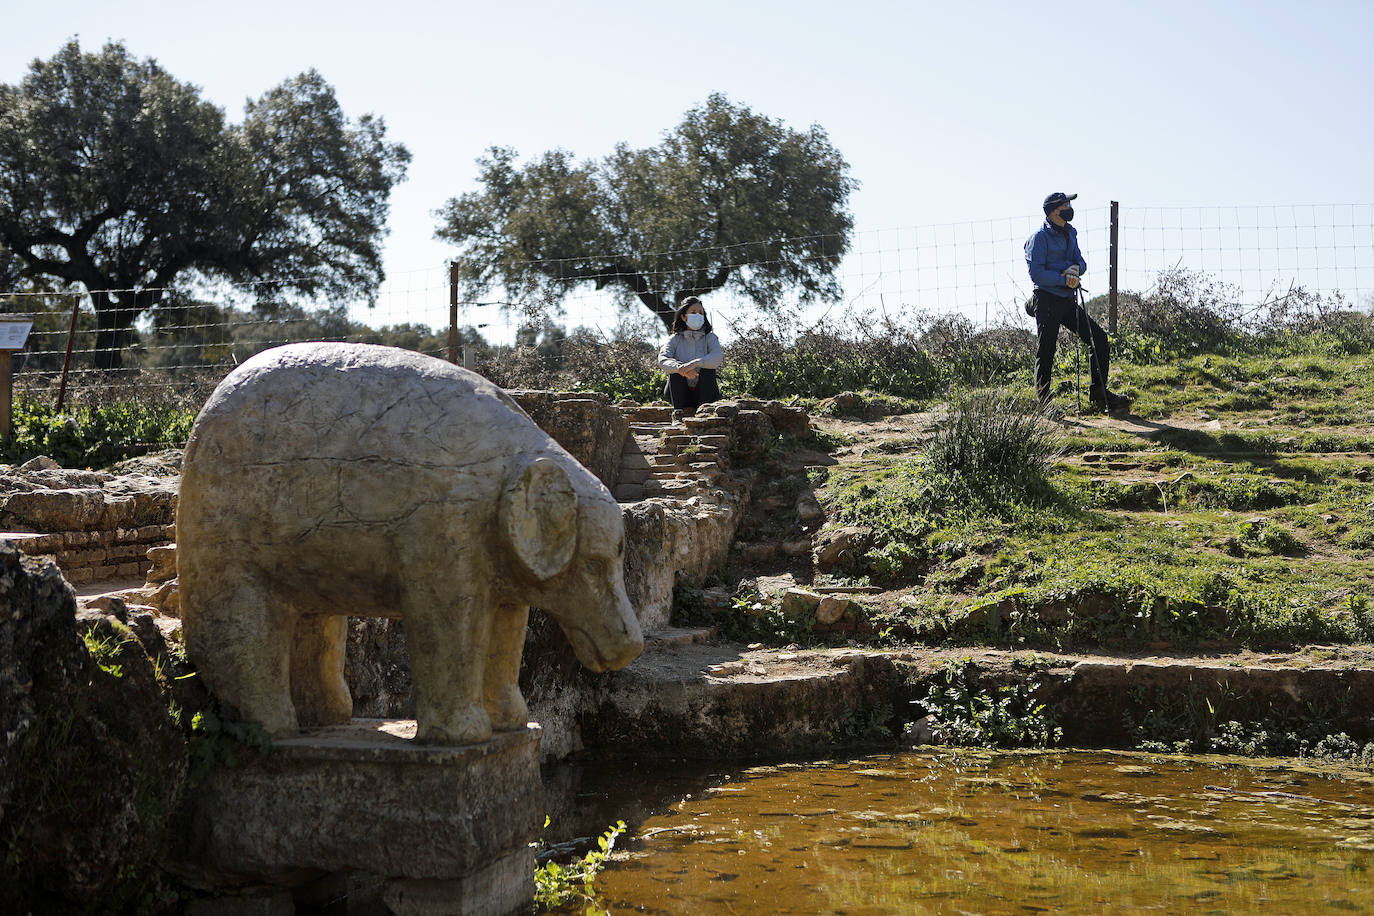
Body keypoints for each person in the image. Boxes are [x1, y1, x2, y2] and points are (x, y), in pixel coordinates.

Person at [1025, 191, 1130, 412]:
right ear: (1054, 210)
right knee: (1047, 351)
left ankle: (1099, 394)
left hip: (1067, 300)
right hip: (1046, 300)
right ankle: (1045, 404)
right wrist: (1064, 280)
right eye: (1066, 205)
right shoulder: (1039, 238)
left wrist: (1075, 270)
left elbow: (1080, 262)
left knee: (1099, 339)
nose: (1070, 208)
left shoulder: (1070, 233)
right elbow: (1036, 274)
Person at [658, 296, 722, 412]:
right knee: (676, 371)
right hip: (679, 395)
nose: (698, 315)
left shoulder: (711, 338)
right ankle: (677, 413)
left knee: (709, 370)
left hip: (705, 393)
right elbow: (662, 359)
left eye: (701, 313)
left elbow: (717, 358)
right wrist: (680, 368)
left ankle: (705, 412)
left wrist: (695, 363)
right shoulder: (674, 339)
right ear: (683, 317)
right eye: (693, 312)